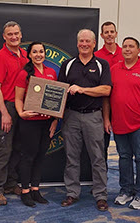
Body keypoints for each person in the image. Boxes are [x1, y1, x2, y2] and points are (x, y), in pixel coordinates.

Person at [103, 37, 140, 210]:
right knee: (124, 158)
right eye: (125, 46)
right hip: (119, 124)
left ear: (139, 50)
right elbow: (107, 97)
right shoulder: (114, 69)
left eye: (131, 46)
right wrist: (107, 119)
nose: (127, 49)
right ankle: (126, 190)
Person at [58, 29, 111, 212]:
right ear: (77, 43)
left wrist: (82, 89)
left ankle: (101, 195)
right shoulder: (68, 64)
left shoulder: (102, 64)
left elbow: (106, 90)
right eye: (81, 41)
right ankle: (72, 192)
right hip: (71, 116)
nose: (84, 44)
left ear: (94, 43)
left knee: (98, 158)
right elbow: (59, 92)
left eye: (88, 41)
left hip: (93, 116)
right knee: (71, 157)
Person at [15, 41, 58, 207]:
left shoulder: (51, 73)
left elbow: (56, 100)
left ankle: (35, 189)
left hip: (46, 123)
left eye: (41, 51)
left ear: (45, 54)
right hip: (29, 123)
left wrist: (54, 121)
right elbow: (18, 98)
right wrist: (21, 113)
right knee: (28, 157)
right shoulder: (23, 74)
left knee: (40, 156)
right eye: (35, 52)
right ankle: (25, 191)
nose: (38, 54)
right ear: (30, 55)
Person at [0, 21, 28, 205]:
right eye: (10, 34)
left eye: (16, 33)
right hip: (6, 107)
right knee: (2, 151)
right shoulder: (0, 57)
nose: (14, 37)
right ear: (4, 37)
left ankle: (10, 184)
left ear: (21, 35)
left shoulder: (25, 56)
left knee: (18, 149)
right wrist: (4, 113)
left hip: (22, 108)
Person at [94, 21, 124, 166]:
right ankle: (101, 181)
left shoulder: (125, 54)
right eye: (106, 32)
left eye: (112, 32)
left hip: (121, 106)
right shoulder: (96, 56)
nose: (109, 35)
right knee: (101, 146)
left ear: (116, 34)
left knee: (124, 148)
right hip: (101, 106)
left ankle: (127, 184)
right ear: (102, 35)